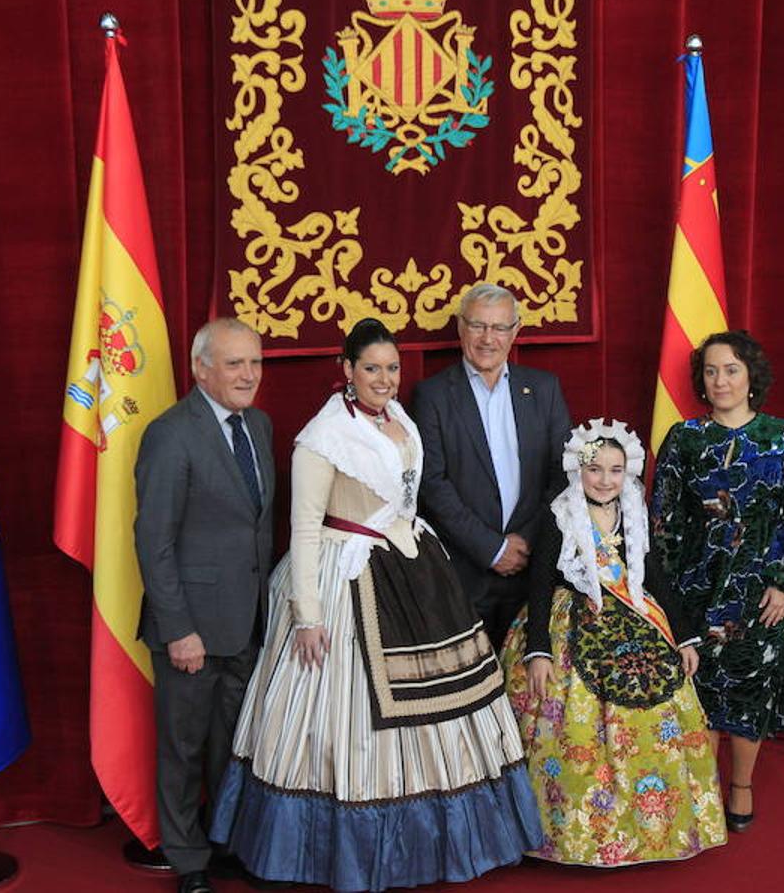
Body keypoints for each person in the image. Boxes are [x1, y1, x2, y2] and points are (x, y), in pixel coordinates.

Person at [210, 318, 542, 892]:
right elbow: (306, 529)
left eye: (391, 368)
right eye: (371, 368)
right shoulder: (322, 436)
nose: (384, 379)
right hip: (344, 581)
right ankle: (340, 850)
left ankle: (434, 842)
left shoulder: (399, 420)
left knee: (440, 705)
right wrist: (308, 617)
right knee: (344, 716)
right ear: (346, 370)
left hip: (411, 570)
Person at [501, 418, 726, 867]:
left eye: (615, 470)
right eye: (595, 469)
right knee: (574, 723)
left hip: (634, 617)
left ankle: (652, 828)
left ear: (629, 471)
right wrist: (539, 649)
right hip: (571, 621)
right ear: (576, 469)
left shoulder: (634, 511)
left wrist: (682, 636)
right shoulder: (560, 513)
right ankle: (574, 831)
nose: (605, 479)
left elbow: (655, 575)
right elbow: (541, 583)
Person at [650, 329, 784, 832]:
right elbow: (664, 519)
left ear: (751, 377)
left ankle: (740, 783)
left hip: (759, 589)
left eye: (731, 369)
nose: (720, 380)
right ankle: (705, 785)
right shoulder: (684, 437)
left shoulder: (782, 436)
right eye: (711, 370)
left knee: (748, 690)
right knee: (700, 689)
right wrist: (666, 596)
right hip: (697, 585)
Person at [134, 317, 274, 893]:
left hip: (246, 622)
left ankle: (224, 845)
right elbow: (154, 541)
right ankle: (189, 862)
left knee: (230, 746)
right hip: (190, 628)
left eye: (255, 362)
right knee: (184, 748)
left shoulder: (259, 426)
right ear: (200, 369)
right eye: (235, 363)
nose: (248, 375)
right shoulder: (172, 434)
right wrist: (179, 629)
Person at [411, 282, 572, 647]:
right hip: (463, 572)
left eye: (500, 327)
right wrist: (491, 548)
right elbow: (432, 484)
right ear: (459, 327)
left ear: (515, 331)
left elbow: (563, 475)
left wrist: (526, 541)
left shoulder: (544, 389)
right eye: (478, 325)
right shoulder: (432, 395)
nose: (488, 338)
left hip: (534, 569)